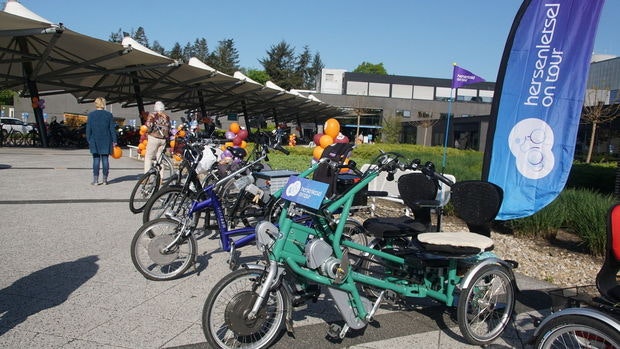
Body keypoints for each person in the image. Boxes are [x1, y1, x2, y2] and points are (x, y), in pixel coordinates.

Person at [86, 97, 117, 185]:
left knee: (96, 159)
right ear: (104, 104)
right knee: (105, 159)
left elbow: (88, 129)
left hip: (94, 139)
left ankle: (95, 181)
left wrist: (88, 139)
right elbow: (112, 129)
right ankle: (105, 180)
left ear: (96, 104)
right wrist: (114, 140)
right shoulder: (109, 115)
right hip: (106, 140)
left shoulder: (91, 115)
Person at [143, 101, 171, 174]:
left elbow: (148, 125)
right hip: (163, 140)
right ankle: (161, 176)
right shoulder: (167, 117)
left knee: (148, 157)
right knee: (159, 158)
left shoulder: (152, 115)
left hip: (153, 138)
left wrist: (148, 131)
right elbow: (169, 128)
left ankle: (146, 176)